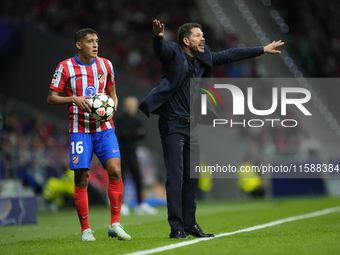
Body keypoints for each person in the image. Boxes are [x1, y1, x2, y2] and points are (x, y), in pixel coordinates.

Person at [139, 19, 284, 239]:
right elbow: (160, 51)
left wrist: (262, 50)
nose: (203, 38)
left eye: (203, 34)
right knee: (176, 176)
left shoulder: (203, 56)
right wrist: (157, 37)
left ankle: (190, 224)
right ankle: (176, 227)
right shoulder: (173, 52)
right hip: (172, 124)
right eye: (198, 35)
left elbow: (229, 55)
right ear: (186, 41)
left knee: (192, 178)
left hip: (192, 125)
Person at [47, 28, 131, 241]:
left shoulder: (106, 65)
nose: (95, 45)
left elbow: (112, 92)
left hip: (104, 128)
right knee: (82, 177)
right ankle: (86, 229)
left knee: (115, 170)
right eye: (90, 41)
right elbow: (51, 98)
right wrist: (73, 99)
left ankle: (115, 224)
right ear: (79, 45)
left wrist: (111, 108)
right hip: (79, 129)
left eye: (97, 41)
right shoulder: (65, 67)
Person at [115, 96, 158, 215]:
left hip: (133, 153)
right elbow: (122, 135)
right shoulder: (120, 120)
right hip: (122, 153)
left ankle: (141, 204)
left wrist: (129, 134)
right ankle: (121, 205)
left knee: (138, 179)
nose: (130, 108)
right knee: (120, 180)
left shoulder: (137, 120)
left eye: (132, 106)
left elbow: (143, 134)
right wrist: (134, 134)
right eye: (129, 106)